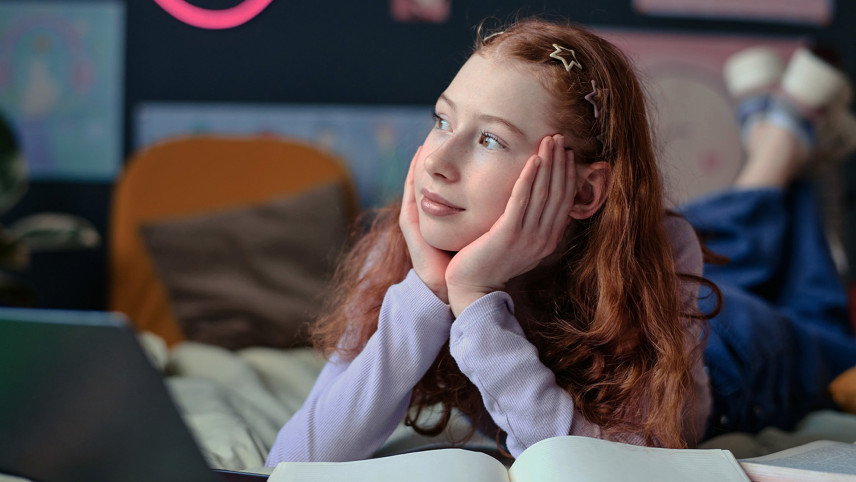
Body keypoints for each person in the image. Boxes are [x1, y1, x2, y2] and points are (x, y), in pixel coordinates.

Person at [265, 17, 715, 464]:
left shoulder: (661, 250)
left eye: (489, 139)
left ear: (582, 191)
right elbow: (291, 463)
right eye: (442, 120)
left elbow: (628, 462)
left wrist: (476, 299)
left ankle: (773, 145)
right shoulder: (406, 251)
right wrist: (430, 293)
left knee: (759, 240)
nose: (437, 161)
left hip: (738, 355)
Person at [682, 45, 856, 436]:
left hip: (709, 354)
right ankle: (781, 142)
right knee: (699, 258)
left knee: (815, 331)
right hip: (691, 327)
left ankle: (780, 142)